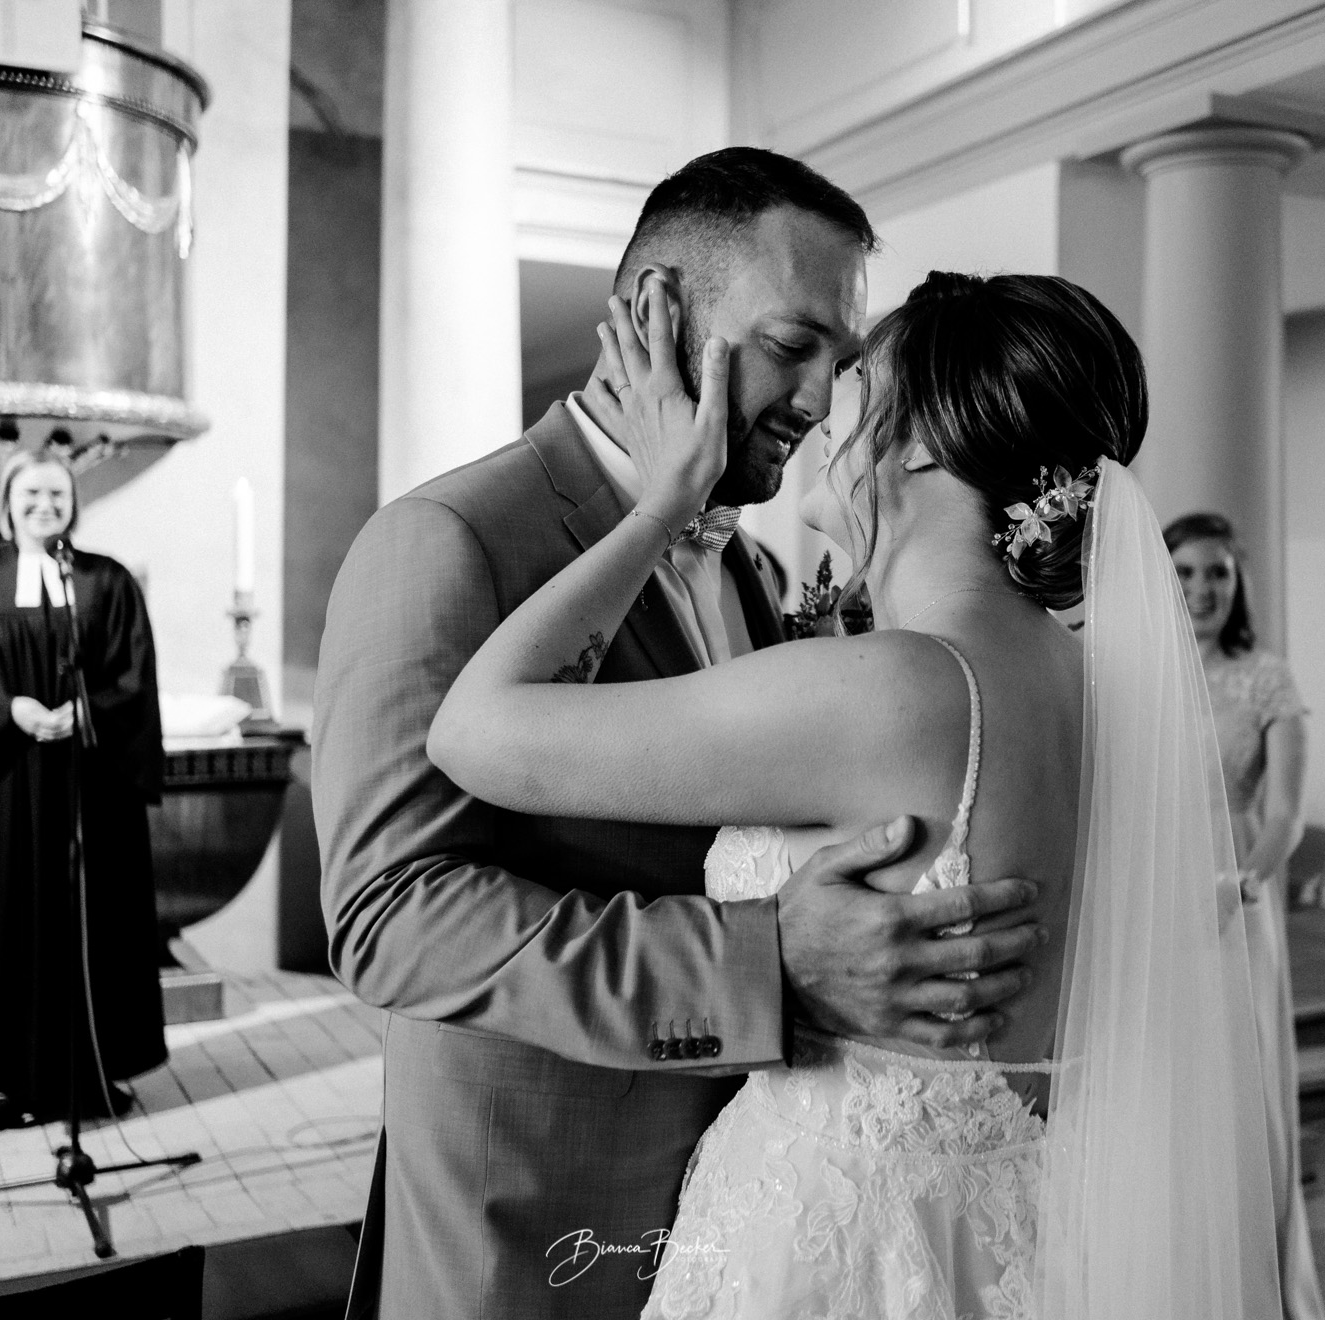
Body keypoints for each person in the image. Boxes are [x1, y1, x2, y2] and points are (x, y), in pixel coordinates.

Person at [430, 271, 1281, 1319]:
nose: (826, 405)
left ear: (919, 443)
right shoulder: (1080, 677)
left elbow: (475, 734)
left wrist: (660, 501)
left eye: (858, 377)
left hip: (847, 1243)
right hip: (1012, 1222)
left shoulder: (896, 687)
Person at [312, 149, 1043, 1320]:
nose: (819, 402)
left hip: (757, 1208)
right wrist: (766, 964)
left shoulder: (751, 561)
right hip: (538, 1213)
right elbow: (390, 918)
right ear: (656, 311)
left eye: (842, 365)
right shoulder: (450, 540)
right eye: (791, 345)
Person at [0, 444, 167, 1133]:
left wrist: (89, 712)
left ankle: (94, 1069)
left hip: (92, 788)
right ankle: (2, 1082)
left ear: (74, 505)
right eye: (30, 497)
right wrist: (10, 711)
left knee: (92, 923)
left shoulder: (106, 582)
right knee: (3, 926)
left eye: (57, 496)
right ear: (7, 506)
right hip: (1, 787)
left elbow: (133, 677)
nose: (44, 507)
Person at [1168, 511, 1325, 1320]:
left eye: (1218, 574)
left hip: (1237, 889)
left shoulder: (1267, 678)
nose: (1203, 589)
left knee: (1243, 1085)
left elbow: (1286, 818)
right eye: (1188, 572)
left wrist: (1242, 882)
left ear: (1239, 584)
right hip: (1155, 891)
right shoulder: (1136, 667)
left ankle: (1257, 1282)